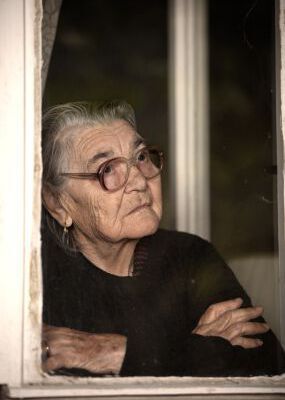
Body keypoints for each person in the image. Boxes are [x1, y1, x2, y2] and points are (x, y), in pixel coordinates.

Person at [41, 100, 285, 377]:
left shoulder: (189, 255)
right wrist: (197, 348)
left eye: (141, 157)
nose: (140, 181)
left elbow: (268, 366)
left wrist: (111, 352)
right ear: (57, 203)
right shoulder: (35, 281)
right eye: (107, 169)